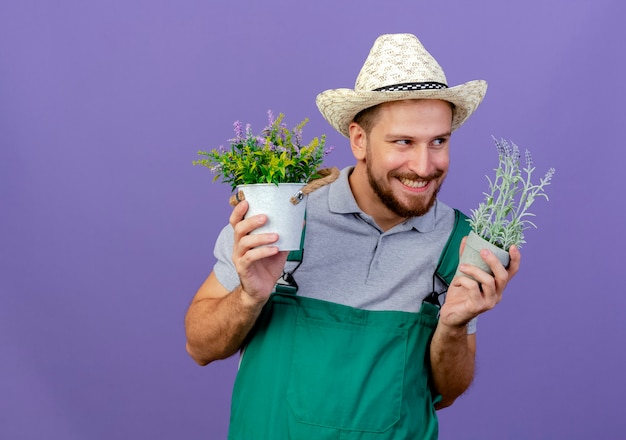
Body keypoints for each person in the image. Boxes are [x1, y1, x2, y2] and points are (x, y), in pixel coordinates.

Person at [185, 33, 521, 439]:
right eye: (403, 142)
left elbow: (447, 392)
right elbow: (200, 347)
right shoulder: (284, 214)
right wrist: (249, 296)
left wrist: (453, 326)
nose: (424, 164)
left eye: (439, 141)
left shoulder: (461, 243)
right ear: (359, 140)